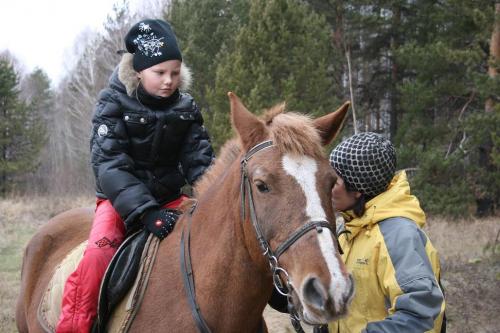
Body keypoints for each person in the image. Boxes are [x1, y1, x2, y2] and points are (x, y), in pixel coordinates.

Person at [56, 19, 214, 332]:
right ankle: (74, 326)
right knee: (97, 257)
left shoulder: (186, 106)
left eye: (174, 72)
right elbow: (110, 164)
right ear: (138, 71)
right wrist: (145, 212)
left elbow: (200, 161)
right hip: (119, 203)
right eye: (159, 73)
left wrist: (213, 196)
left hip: (171, 199)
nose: (169, 81)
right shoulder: (112, 103)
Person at [328, 132, 445, 333]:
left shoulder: (399, 236)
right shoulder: (348, 228)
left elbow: (421, 314)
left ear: (357, 190)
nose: (325, 188)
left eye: (333, 181)